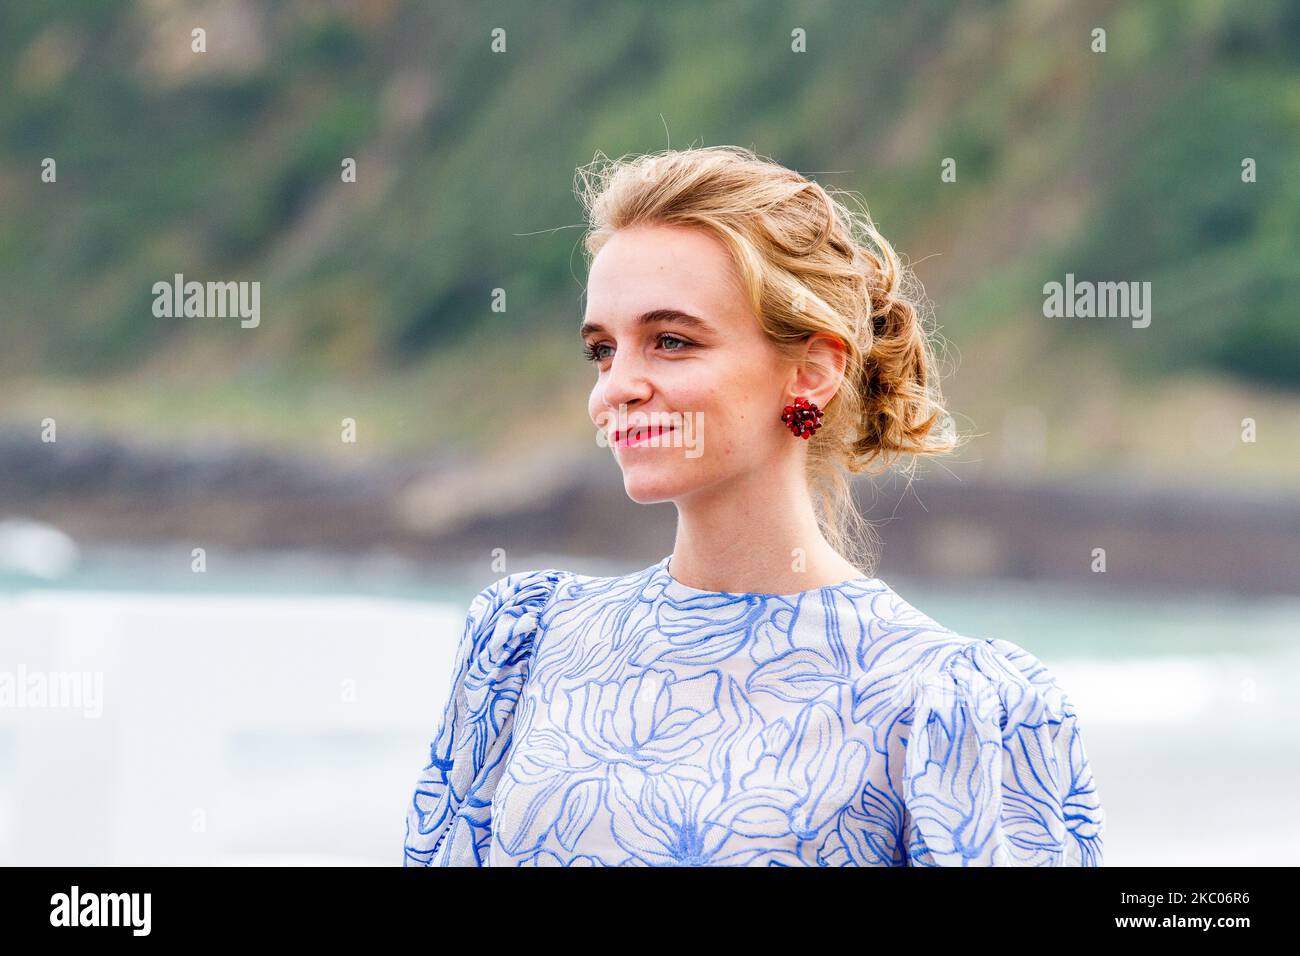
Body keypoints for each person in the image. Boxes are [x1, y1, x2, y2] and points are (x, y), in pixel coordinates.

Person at [403, 145, 1105, 867]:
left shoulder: (948, 705)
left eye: (670, 341)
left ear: (810, 371)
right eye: (603, 350)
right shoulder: (525, 644)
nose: (618, 386)